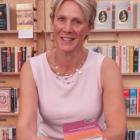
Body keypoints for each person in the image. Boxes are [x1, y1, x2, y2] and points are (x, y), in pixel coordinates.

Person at [16, 0, 127, 140]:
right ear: (53, 21)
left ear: (89, 27)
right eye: (61, 19)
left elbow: (117, 131)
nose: (67, 28)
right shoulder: (32, 68)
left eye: (77, 22)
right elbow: (24, 129)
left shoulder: (106, 68)